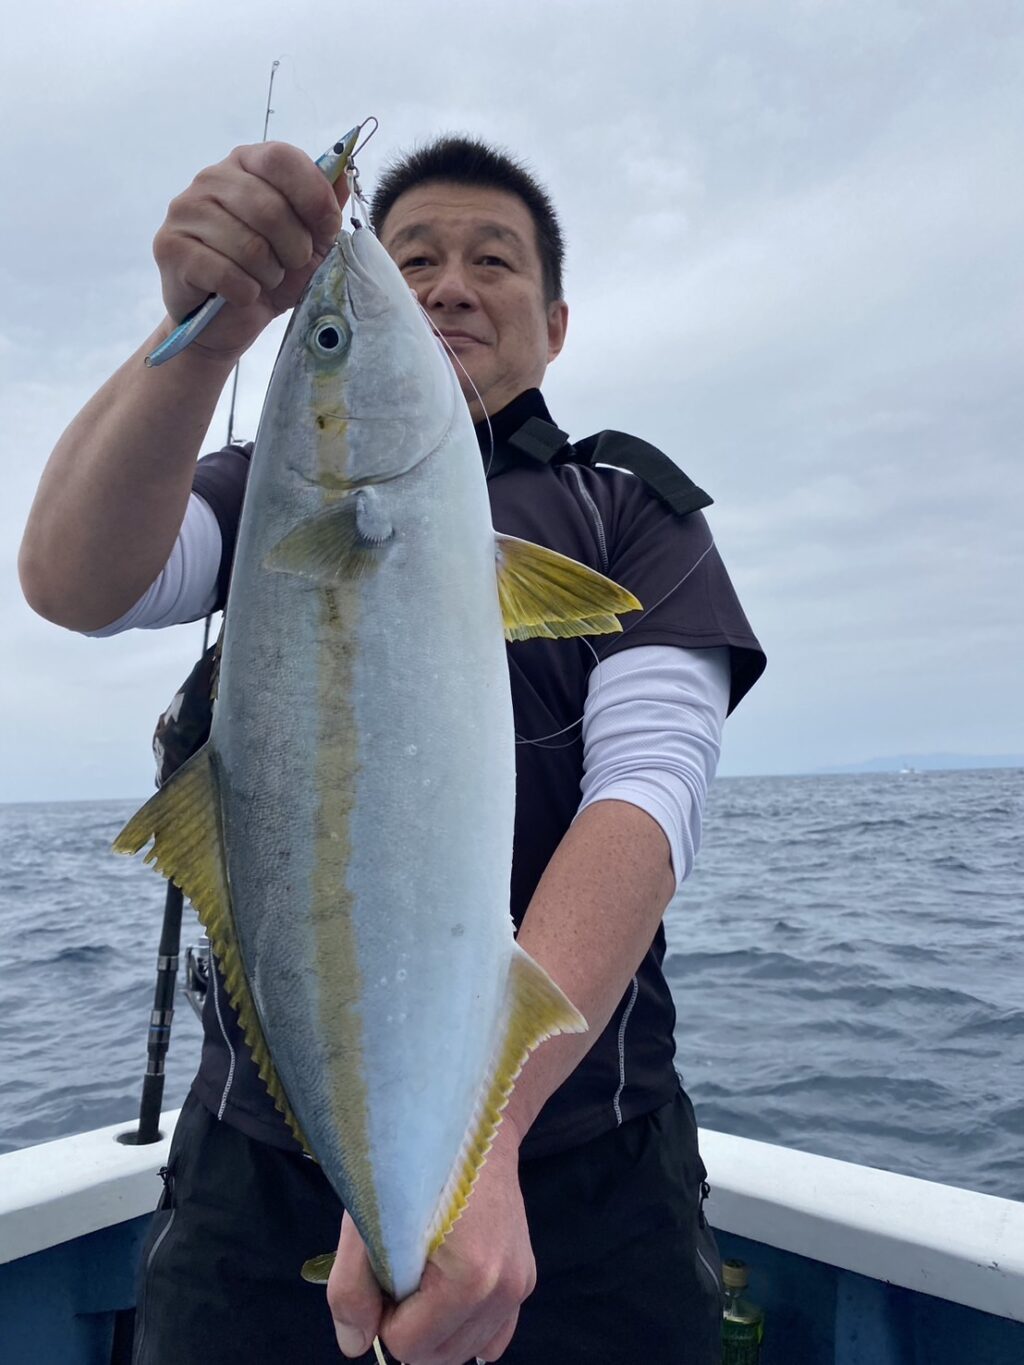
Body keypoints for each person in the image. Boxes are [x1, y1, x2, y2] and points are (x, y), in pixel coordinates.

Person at [19, 134, 765, 1365]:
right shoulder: (277, 487)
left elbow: (648, 794)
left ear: (556, 325)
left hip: (576, 1151)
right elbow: (75, 581)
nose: (445, 285)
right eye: (412, 258)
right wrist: (208, 334)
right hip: (260, 1165)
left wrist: (485, 1134)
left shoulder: (630, 511)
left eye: (493, 260)